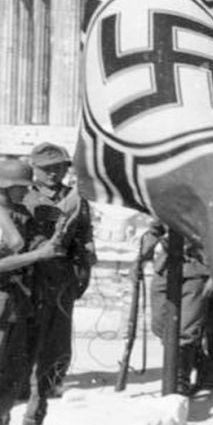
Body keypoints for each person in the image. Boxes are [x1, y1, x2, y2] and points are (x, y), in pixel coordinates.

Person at [22, 143, 95, 425]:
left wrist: (85, 267)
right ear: (34, 170)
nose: (53, 174)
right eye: (46, 169)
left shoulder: (76, 198)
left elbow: (85, 234)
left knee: (55, 341)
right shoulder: (22, 195)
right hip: (28, 278)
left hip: (61, 278)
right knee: (22, 341)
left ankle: (41, 399)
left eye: (58, 168)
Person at [0, 160, 63, 425]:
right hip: (3, 303)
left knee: (12, 376)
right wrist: (39, 254)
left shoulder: (15, 212)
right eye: (20, 188)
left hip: (17, 304)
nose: (26, 193)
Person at [142, 222, 213, 396]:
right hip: (166, 268)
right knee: (160, 326)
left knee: (184, 331)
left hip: (196, 270)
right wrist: (142, 257)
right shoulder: (169, 197)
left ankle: (180, 384)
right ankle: (208, 368)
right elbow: (155, 228)